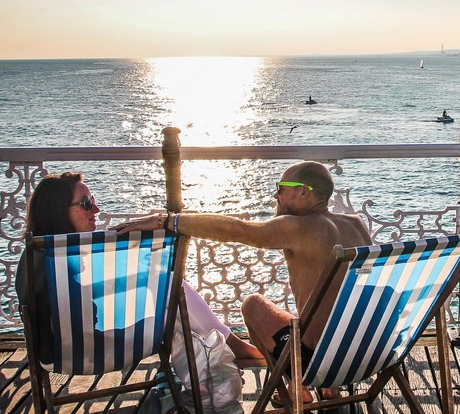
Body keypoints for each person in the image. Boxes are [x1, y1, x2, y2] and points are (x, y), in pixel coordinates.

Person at [114, 161, 372, 401]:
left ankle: (296, 389)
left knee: (253, 305)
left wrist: (166, 220)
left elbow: (237, 230)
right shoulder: (356, 225)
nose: (276, 195)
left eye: (281, 188)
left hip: (319, 362)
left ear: (304, 191)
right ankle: (329, 387)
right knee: (321, 311)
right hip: (369, 353)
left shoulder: (297, 227)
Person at [16, 172, 261, 367]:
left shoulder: (37, 256)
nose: (96, 210)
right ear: (59, 210)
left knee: (168, 291)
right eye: (87, 203)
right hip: (89, 352)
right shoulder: (65, 258)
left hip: (53, 357)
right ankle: (231, 353)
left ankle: (214, 361)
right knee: (173, 293)